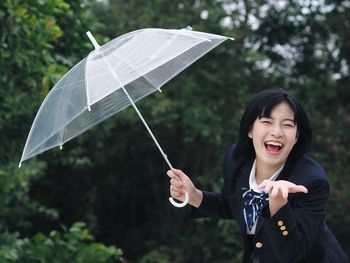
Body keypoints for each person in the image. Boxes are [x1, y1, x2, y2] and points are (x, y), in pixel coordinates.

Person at [167, 89, 348, 263]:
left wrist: (277, 206)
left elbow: (294, 253)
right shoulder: (236, 159)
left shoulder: (312, 182)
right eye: (267, 121)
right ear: (250, 130)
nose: (276, 132)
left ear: (297, 135)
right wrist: (195, 196)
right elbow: (234, 206)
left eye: (287, 125)